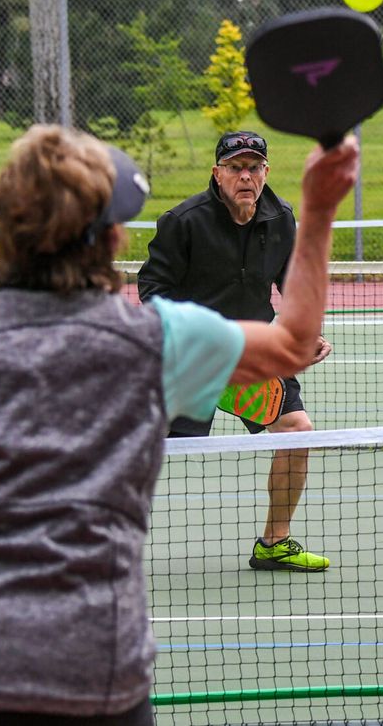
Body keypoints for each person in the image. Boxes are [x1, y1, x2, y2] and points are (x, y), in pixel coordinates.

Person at [0, 124, 360, 725]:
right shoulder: (159, 344)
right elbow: (293, 341)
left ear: (5, 227)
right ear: (110, 238)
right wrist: (318, 209)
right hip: (96, 677)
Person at [138, 131, 332, 573]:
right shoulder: (183, 221)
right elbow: (152, 290)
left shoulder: (281, 219)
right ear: (217, 172)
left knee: (298, 431)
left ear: (265, 172)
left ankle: (274, 543)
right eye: (235, 167)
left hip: (251, 354)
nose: (245, 175)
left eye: (253, 167)